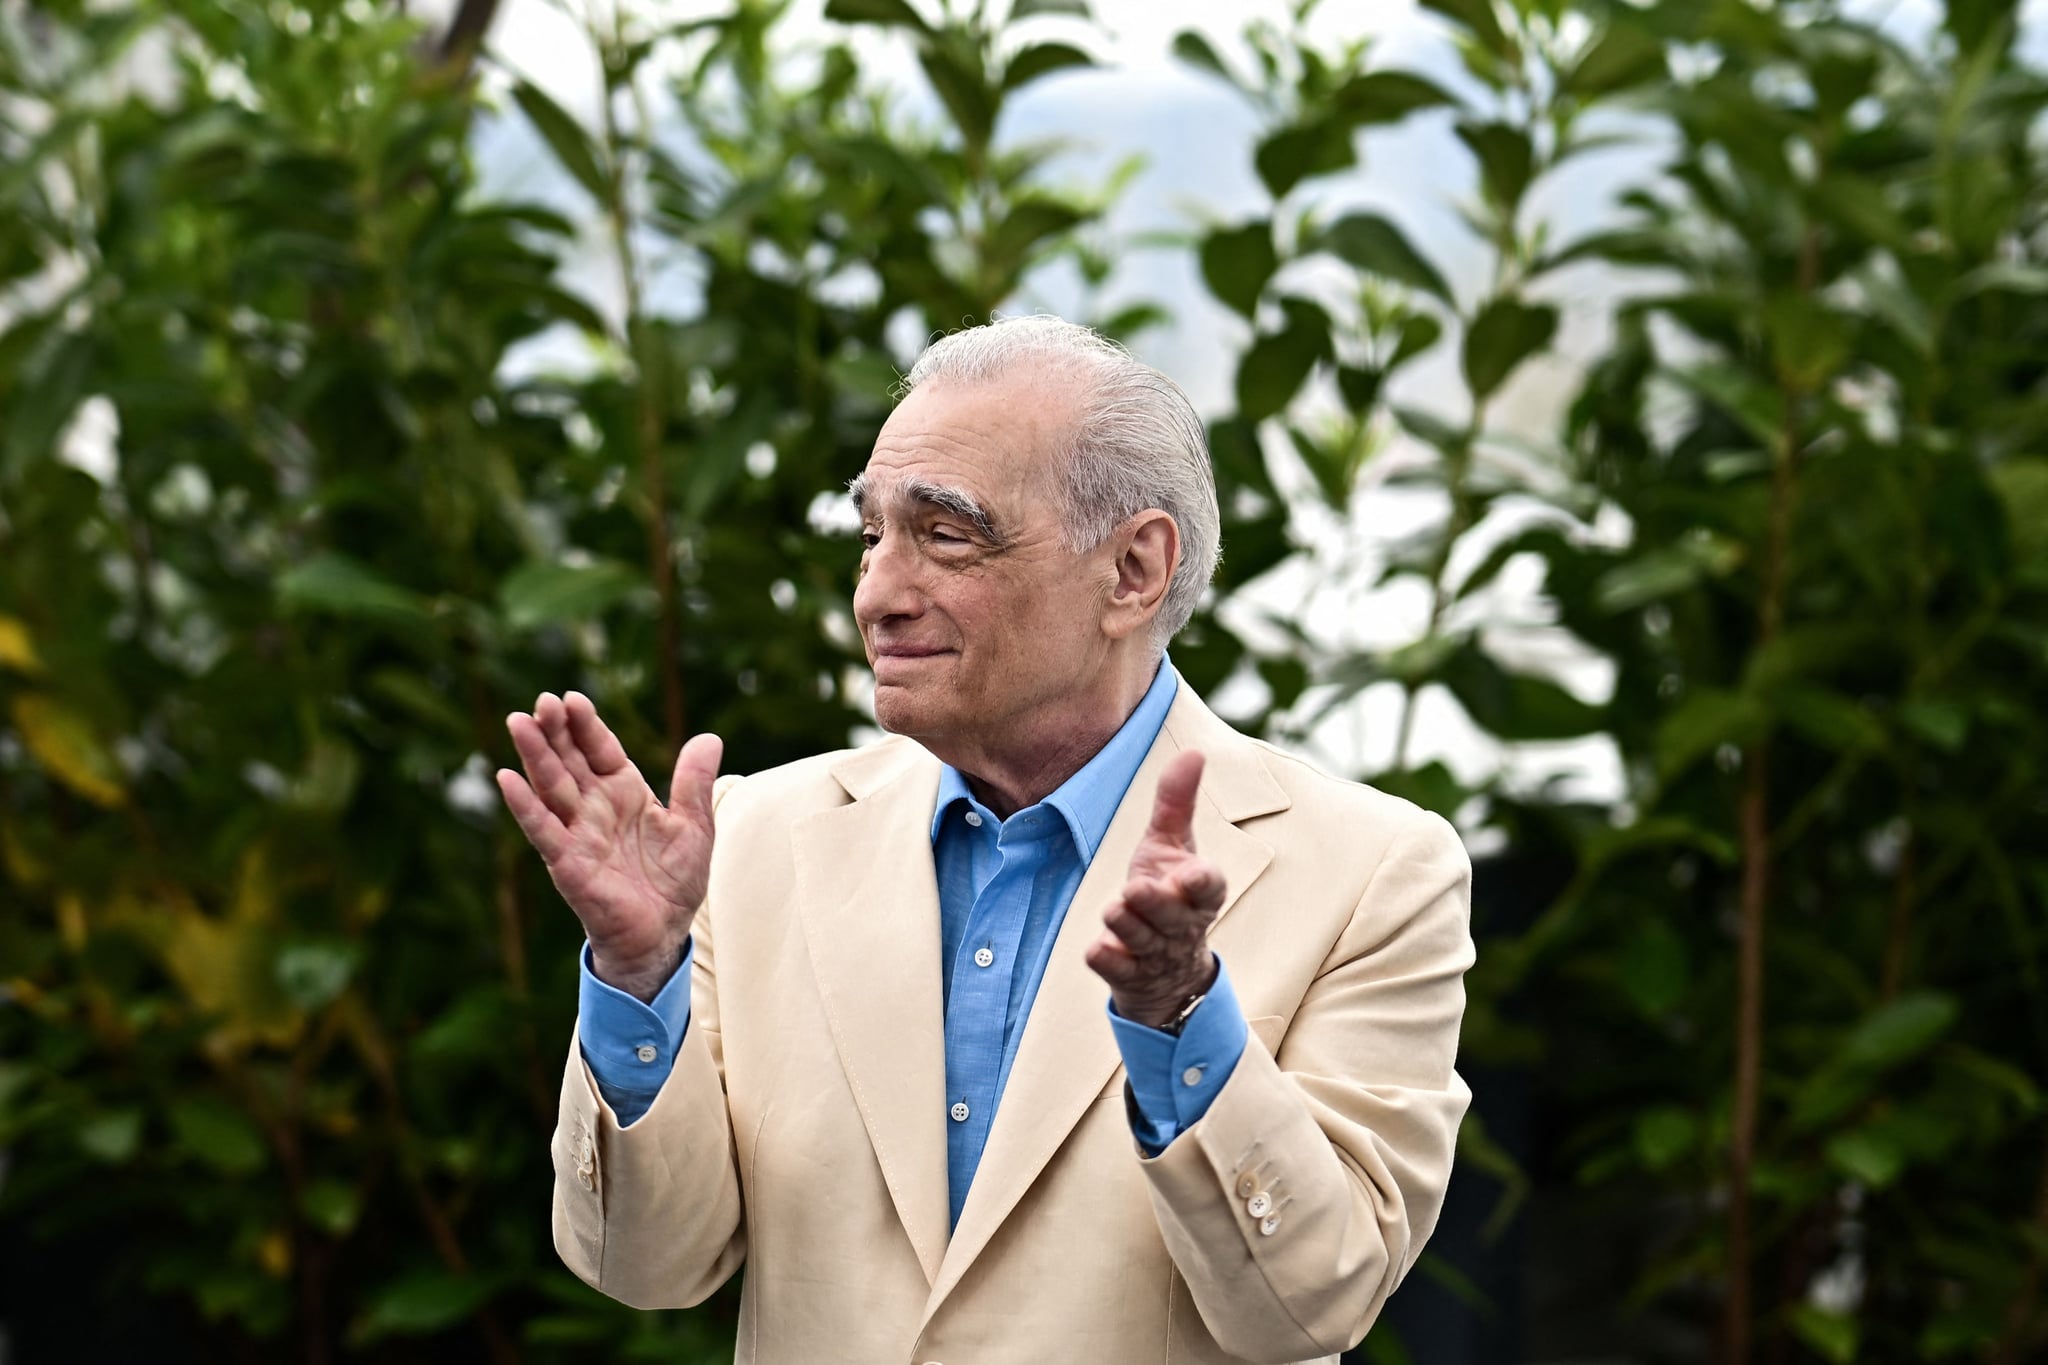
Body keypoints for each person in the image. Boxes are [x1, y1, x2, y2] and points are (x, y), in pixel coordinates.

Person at [497, 316, 1475, 1365]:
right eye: (870, 534)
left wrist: (1183, 1024)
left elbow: (1310, 1303)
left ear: (1133, 570)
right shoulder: (750, 838)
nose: (877, 593)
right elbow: (648, 1268)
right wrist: (639, 974)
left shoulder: (1374, 869)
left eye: (945, 534)